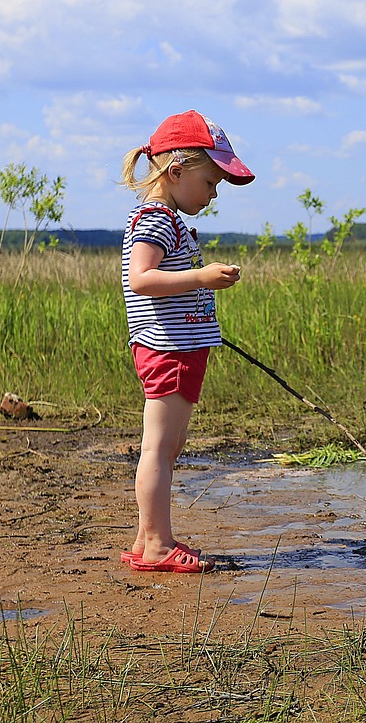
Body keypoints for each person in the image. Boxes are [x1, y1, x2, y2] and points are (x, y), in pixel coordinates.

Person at [118, 110, 254, 573]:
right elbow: (141, 278)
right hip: (168, 350)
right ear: (176, 172)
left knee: (167, 447)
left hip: (180, 347)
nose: (214, 194)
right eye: (211, 182)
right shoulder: (156, 219)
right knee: (158, 448)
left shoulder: (168, 219)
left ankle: (145, 539)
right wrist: (201, 276)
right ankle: (156, 544)